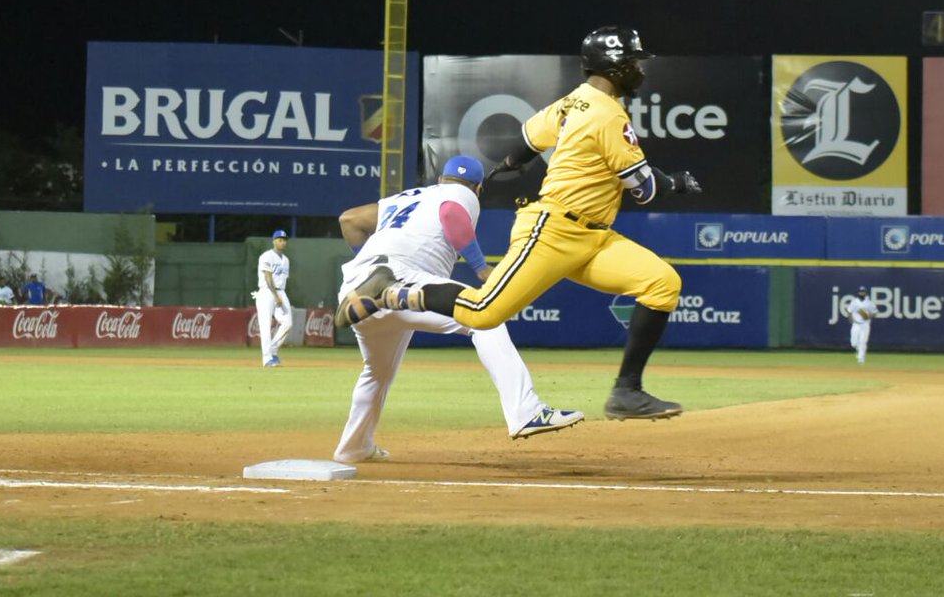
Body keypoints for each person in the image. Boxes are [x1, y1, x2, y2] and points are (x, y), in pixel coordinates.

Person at [337, 26, 701, 421]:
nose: (641, 71)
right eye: (634, 62)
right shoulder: (609, 114)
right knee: (483, 313)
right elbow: (644, 189)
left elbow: (530, 137)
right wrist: (677, 182)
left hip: (594, 237)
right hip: (554, 230)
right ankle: (391, 292)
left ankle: (627, 392)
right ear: (615, 67)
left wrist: (512, 162)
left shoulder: (573, 103)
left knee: (662, 283)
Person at [333, 155, 583, 464]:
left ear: (441, 178)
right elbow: (452, 214)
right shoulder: (462, 194)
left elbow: (350, 220)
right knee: (484, 315)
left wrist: (372, 259)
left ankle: (354, 447)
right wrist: (480, 268)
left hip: (358, 284)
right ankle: (525, 411)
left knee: (377, 372)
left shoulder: (409, 197)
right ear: (478, 188)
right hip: (404, 275)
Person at [254, 230, 293, 368]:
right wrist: (275, 296)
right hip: (266, 292)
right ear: (274, 241)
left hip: (281, 291)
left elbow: (282, 279)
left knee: (288, 323)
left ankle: (273, 350)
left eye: (284, 240)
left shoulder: (286, 260)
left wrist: (279, 295)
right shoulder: (267, 256)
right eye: (280, 239)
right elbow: (268, 277)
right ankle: (267, 359)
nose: (282, 242)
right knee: (265, 326)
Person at [847, 286, 877, 365]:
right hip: (856, 324)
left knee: (863, 342)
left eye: (863, 292)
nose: (862, 293)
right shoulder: (854, 302)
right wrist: (851, 320)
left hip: (865, 324)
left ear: (866, 293)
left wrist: (868, 316)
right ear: (858, 293)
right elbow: (849, 312)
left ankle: (861, 358)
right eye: (860, 292)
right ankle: (858, 349)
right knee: (853, 343)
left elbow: (875, 313)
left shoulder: (869, 303)